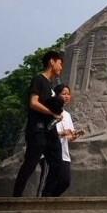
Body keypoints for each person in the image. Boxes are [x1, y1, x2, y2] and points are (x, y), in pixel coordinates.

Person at [12, 49, 64, 197]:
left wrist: (56, 113)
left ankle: (46, 195)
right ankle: (16, 195)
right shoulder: (39, 79)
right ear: (52, 62)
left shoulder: (51, 85)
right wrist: (51, 113)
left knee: (57, 162)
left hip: (49, 129)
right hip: (37, 128)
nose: (61, 67)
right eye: (60, 63)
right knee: (31, 162)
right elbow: (33, 103)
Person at [43, 83, 81, 197]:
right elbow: (48, 132)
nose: (67, 96)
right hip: (52, 152)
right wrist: (62, 133)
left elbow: (68, 137)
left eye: (68, 94)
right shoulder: (49, 112)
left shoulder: (67, 115)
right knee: (52, 179)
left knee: (65, 181)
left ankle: (49, 199)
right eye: (64, 93)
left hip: (63, 153)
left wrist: (73, 136)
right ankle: (43, 201)